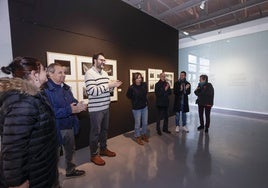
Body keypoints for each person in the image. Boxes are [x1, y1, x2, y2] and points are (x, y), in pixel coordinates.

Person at [0, 57, 59, 188]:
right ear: (34, 74)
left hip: (42, 167)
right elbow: (13, 148)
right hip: (34, 174)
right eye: (44, 70)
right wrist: (17, 182)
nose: (47, 73)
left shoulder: (35, 96)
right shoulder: (22, 102)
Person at [44, 63, 86, 178]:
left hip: (69, 125)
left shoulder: (65, 87)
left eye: (64, 72)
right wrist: (70, 109)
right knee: (54, 156)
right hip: (56, 128)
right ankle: (53, 180)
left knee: (70, 151)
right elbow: (50, 112)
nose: (64, 75)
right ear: (50, 74)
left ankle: (70, 170)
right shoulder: (46, 90)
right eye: (60, 72)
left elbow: (72, 100)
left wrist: (79, 105)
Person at [85, 53, 122, 166]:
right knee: (95, 133)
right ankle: (94, 155)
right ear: (94, 61)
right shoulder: (89, 73)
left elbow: (106, 91)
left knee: (104, 130)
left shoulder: (105, 73)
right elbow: (92, 91)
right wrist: (109, 86)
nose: (103, 62)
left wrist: (113, 86)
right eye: (101, 60)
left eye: (104, 60)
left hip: (106, 107)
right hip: (96, 109)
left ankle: (103, 149)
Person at [126, 72, 149, 145]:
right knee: (138, 123)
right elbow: (128, 96)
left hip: (144, 107)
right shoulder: (131, 87)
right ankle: (137, 136)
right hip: (136, 108)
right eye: (137, 78)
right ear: (134, 79)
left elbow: (145, 93)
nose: (139, 79)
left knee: (145, 122)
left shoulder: (144, 85)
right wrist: (134, 100)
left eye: (140, 77)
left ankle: (143, 134)